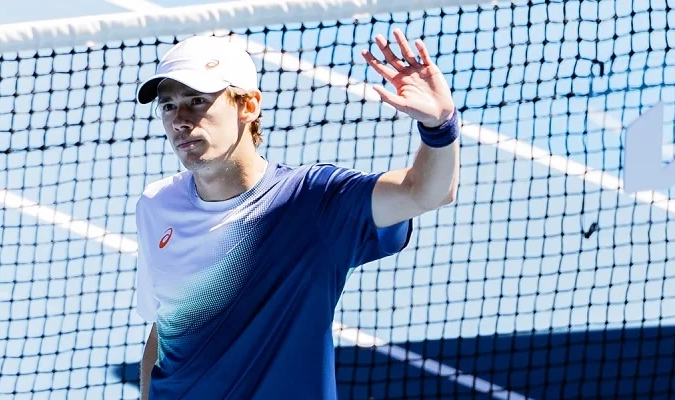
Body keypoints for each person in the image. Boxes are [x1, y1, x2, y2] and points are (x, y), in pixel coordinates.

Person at [134, 30, 460, 399]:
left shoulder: (313, 203)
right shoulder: (156, 206)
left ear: (248, 106)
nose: (180, 120)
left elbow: (425, 191)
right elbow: (165, 329)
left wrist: (439, 127)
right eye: (168, 106)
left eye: (197, 101)